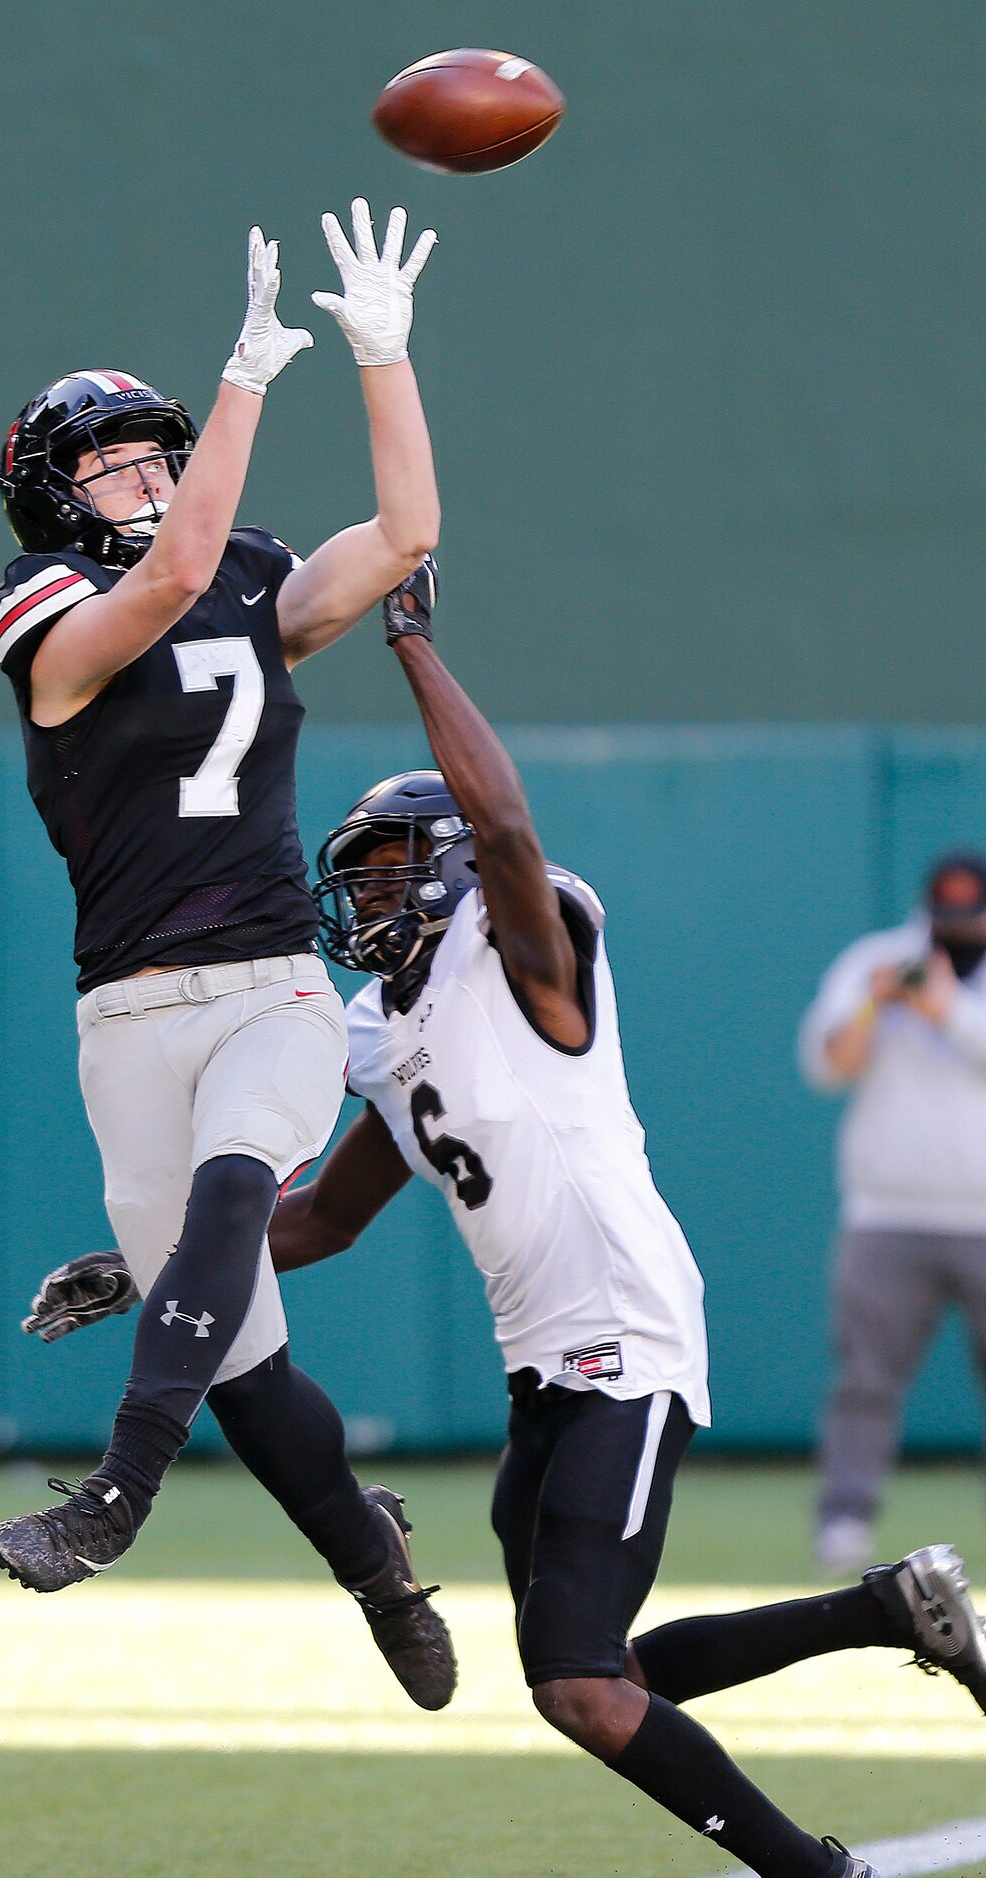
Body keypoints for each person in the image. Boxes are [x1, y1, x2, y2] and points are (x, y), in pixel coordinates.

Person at [263, 566, 986, 1878]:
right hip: (540, 1369)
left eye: (384, 872)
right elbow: (319, 1220)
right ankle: (889, 1607)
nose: (362, 902)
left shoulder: (524, 943)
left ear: (449, 871)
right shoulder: (393, 1028)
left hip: (623, 1335)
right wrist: (163, 1263)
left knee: (583, 1685)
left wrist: (414, 643)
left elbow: (508, 824)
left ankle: (816, 1872)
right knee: (595, 1671)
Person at [0, 201, 455, 1711]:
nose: (142, 469)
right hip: (126, 1011)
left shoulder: (243, 564)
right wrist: (245, 374)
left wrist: (383, 357)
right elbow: (169, 582)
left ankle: (113, 1493)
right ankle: (373, 1563)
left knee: (240, 1185)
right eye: (107, 457)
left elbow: (403, 538)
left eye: (153, 445)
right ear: (52, 499)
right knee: (252, 1376)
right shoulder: (41, 608)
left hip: (268, 980)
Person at [799, 851, 986, 1575]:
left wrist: (949, 1011)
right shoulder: (878, 960)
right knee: (864, 1380)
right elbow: (826, 1065)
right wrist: (879, 1003)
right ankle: (844, 1519)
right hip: (886, 1215)